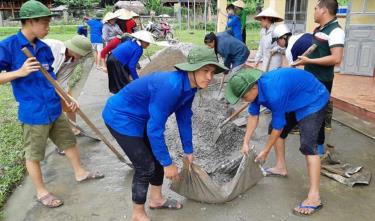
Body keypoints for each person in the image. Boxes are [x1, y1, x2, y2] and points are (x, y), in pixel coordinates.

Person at [102, 46, 227, 221]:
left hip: (141, 117)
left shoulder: (190, 88)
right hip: (120, 117)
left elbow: (184, 119)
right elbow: (155, 129)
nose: (209, 77)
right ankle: (137, 214)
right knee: (145, 165)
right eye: (205, 70)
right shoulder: (170, 87)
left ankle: (156, 199)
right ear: (191, 69)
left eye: (212, 72)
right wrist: (168, 163)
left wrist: (188, 150)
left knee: (157, 156)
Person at [0, 0, 104, 208]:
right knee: (34, 154)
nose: (48, 27)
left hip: (54, 107)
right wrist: (19, 72)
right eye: (45, 23)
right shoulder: (8, 46)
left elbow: (52, 78)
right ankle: (41, 192)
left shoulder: (43, 48)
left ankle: (80, 172)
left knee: (68, 142)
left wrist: (68, 98)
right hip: (33, 112)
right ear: (30, 22)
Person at [225, 67, 329, 216]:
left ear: (254, 87)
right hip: (293, 98)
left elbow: (279, 127)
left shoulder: (273, 93)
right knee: (272, 129)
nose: (243, 100)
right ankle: (281, 167)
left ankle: (314, 197)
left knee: (307, 146)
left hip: (313, 99)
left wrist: (265, 151)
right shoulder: (254, 91)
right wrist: (245, 142)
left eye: (243, 96)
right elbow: (253, 116)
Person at [293, 0, 345, 150]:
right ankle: (311, 143)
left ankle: (319, 147)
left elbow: (336, 58)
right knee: (309, 110)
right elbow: (314, 49)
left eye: (315, 9)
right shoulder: (319, 29)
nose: (313, 12)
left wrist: (310, 61)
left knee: (318, 113)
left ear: (323, 10)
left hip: (322, 80)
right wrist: (302, 61)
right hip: (310, 76)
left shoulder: (336, 31)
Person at [43, 35, 92, 155]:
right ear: (72, 48)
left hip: (54, 81)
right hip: (37, 81)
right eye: (80, 53)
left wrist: (66, 96)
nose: (80, 57)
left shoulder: (74, 59)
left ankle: (72, 129)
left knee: (68, 103)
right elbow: (45, 76)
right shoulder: (51, 48)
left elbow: (62, 79)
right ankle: (59, 142)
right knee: (51, 112)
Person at [251, 7, 284, 71]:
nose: (260, 22)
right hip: (266, 61)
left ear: (268, 19)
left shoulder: (277, 31)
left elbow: (283, 47)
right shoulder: (262, 31)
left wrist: (275, 49)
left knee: (273, 78)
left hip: (275, 62)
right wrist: (256, 61)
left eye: (262, 20)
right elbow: (260, 47)